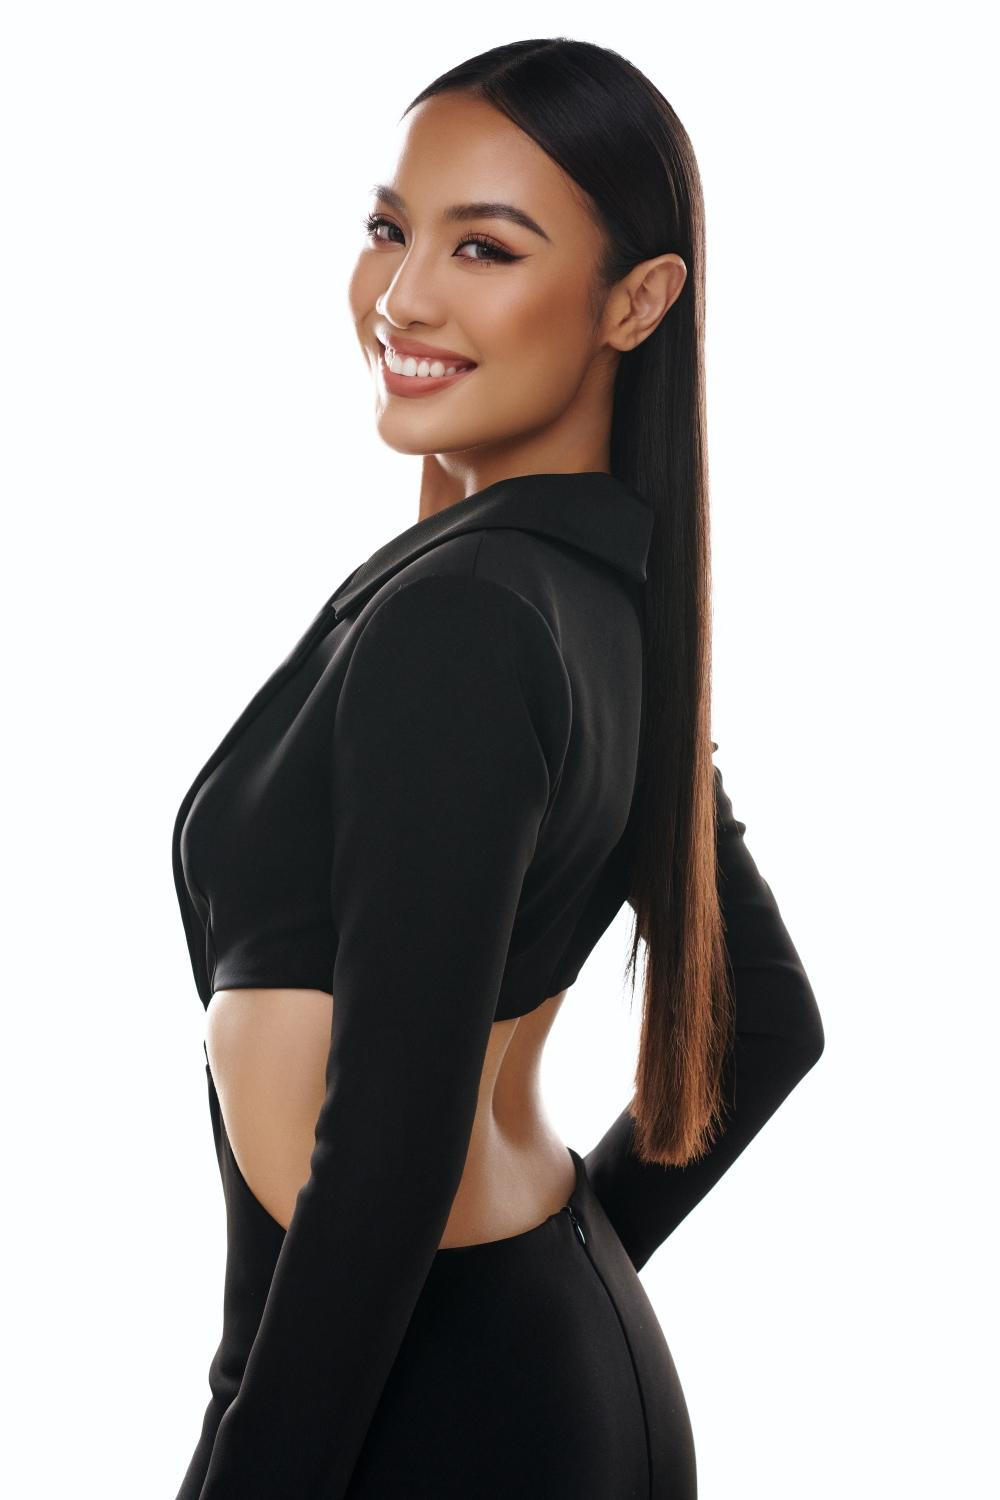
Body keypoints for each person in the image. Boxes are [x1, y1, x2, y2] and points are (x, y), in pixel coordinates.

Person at [172, 37, 825, 1500]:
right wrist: (553, 1280)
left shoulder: (467, 622)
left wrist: (459, 1341)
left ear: (636, 302)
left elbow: (387, 1158)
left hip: (431, 1415)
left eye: (484, 247)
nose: (402, 297)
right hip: (502, 1374)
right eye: (388, 228)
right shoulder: (586, 600)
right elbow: (768, 1019)